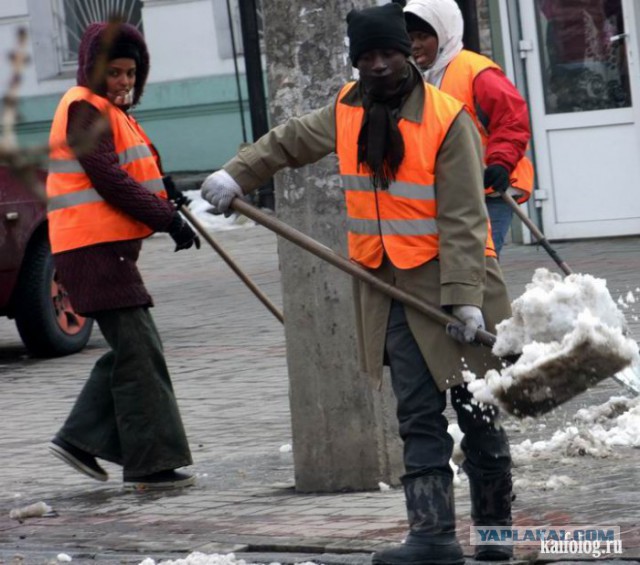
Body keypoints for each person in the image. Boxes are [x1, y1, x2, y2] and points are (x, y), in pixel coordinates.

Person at [200, 4, 513, 564]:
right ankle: (433, 538)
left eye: (388, 53)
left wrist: (466, 301)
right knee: (416, 412)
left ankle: (496, 536)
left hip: (455, 288)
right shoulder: (347, 110)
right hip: (389, 288)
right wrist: (236, 172)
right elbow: (289, 140)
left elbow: (466, 217)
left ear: (407, 54)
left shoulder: (446, 118)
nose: (378, 66)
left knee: (477, 411)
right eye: (366, 57)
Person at [46, 21, 199, 491]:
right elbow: (109, 179)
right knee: (139, 350)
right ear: (92, 70)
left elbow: (135, 167)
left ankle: (80, 439)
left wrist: (166, 191)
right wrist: (165, 218)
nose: (124, 82)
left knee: (133, 350)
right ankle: (150, 464)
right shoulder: (83, 109)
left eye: (131, 73)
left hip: (104, 248)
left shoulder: (109, 111)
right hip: (90, 248)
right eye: (114, 72)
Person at [404, 0, 534, 255]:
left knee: (478, 262)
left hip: (491, 188)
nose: (415, 44)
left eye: (423, 36)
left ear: (443, 34)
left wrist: (500, 163)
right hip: (453, 191)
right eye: (410, 37)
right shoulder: (420, 76)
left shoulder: (477, 72)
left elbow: (512, 121)